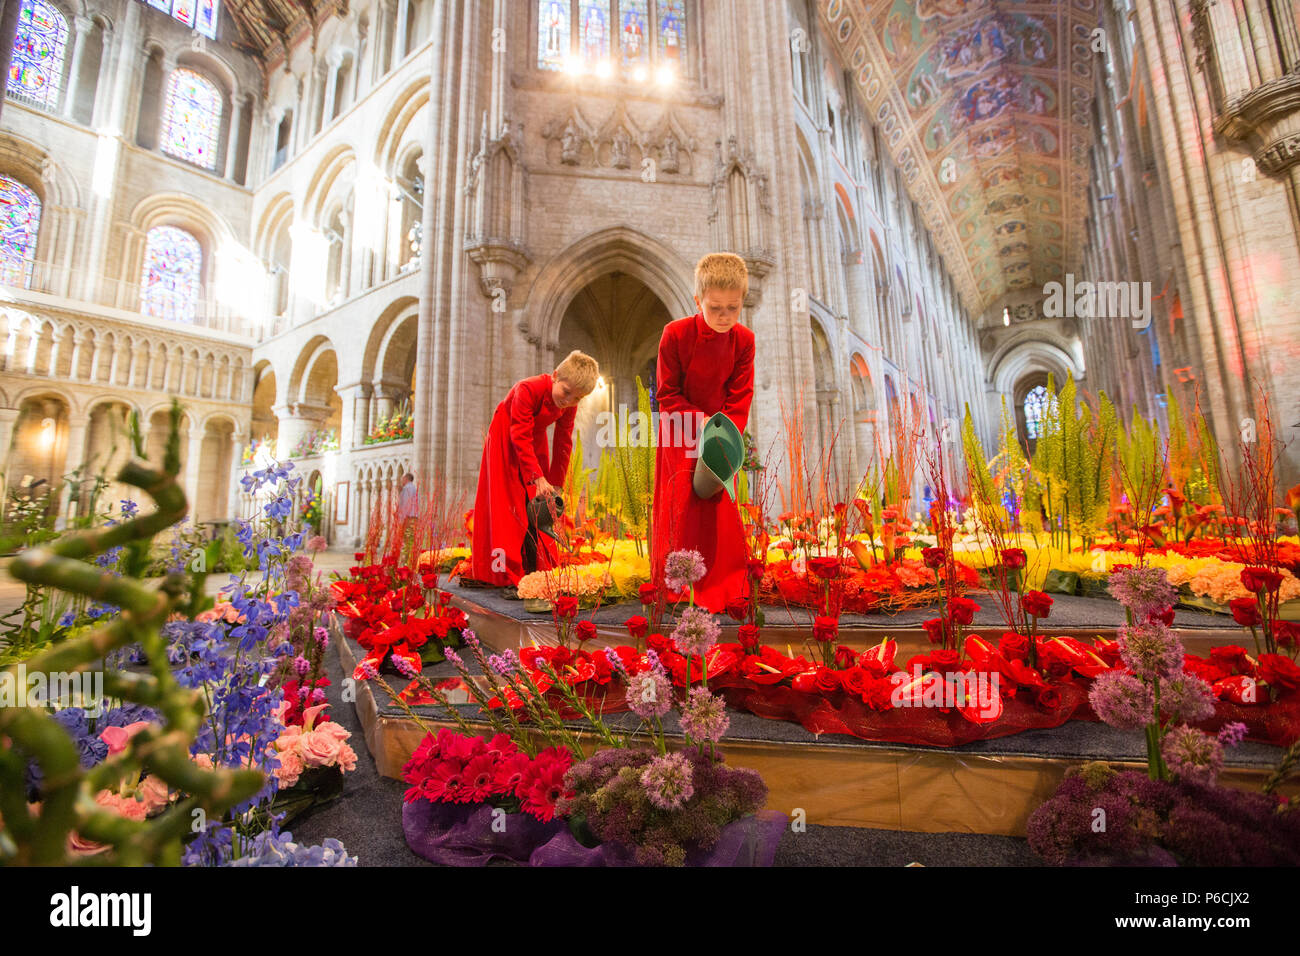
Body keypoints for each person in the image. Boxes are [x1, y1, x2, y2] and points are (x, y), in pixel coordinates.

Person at [651, 252, 754, 612]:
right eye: (715, 308)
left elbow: (741, 396)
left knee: (719, 510)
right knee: (683, 508)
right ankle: (680, 588)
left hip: (721, 436)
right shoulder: (675, 334)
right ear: (698, 301)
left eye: (733, 308)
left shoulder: (744, 341)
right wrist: (701, 423)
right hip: (679, 430)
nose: (725, 317)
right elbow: (667, 393)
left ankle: (723, 582)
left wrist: (723, 435)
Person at [470, 350, 599, 586]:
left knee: (539, 502)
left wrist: (555, 483)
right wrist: (537, 477)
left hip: (533, 438)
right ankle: (505, 571)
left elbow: (563, 441)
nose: (569, 401)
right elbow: (518, 435)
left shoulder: (569, 403)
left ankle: (534, 566)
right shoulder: (527, 389)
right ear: (555, 376)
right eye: (566, 392)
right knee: (508, 502)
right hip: (505, 438)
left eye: (577, 399)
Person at [397, 472, 418, 551]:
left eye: (402, 479)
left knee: (406, 540)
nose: (402, 481)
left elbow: (405, 504)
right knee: (411, 539)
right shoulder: (414, 488)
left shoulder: (407, 488)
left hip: (407, 517)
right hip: (413, 517)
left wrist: (401, 518)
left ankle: (405, 559)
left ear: (406, 479)